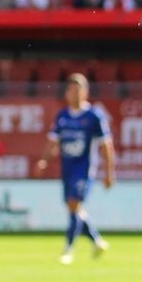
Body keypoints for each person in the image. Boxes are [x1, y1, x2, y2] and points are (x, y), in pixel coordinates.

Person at [35, 72, 114, 264]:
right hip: (67, 168)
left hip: (84, 169)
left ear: (85, 92)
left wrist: (109, 172)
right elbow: (53, 141)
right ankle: (97, 241)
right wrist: (44, 160)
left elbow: (106, 146)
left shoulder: (94, 116)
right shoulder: (62, 116)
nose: (75, 94)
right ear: (66, 93)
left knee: (74, 204)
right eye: (71, 90)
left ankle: (68, 249)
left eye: (78, 90)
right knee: (74, 209)